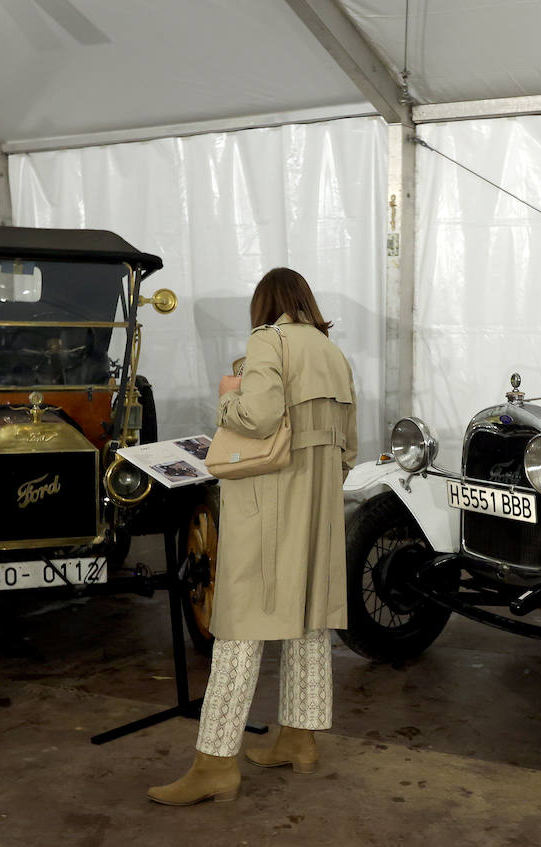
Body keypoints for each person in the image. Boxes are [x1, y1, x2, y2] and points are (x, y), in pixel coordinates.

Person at [148, 267, 358, 806]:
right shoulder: (333, 354)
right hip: (319, 513)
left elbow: (259, 416)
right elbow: (349, 448)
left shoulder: (269, 340)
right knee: (309, 621)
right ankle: (299, 740)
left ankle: (216, 763)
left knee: (241, 626)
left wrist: (225, 396)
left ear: (267, 304)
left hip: (269, 506)